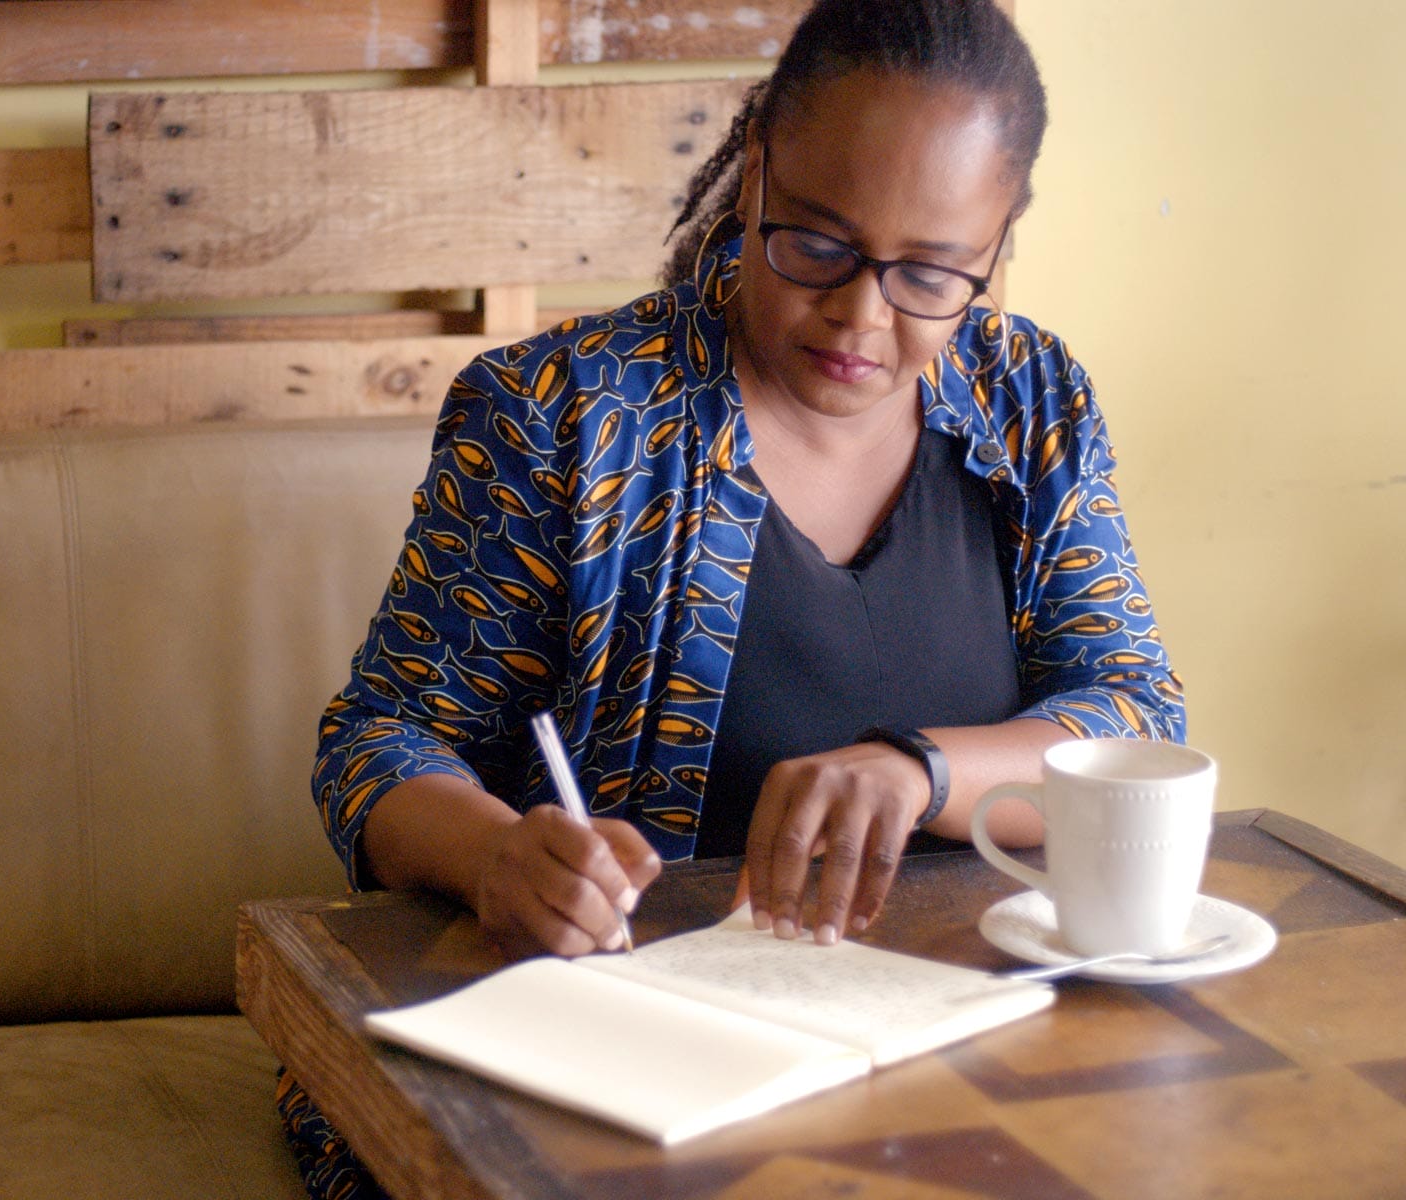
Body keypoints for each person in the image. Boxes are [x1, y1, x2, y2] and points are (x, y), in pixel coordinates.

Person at [286, 0, 1184, 1194]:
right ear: (754, 165)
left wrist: (919, 769)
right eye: (817, 243)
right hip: (613, 1064)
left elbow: (1135, 716)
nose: (862, 318)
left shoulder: (1035, 405)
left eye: (929, 275)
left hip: (949, 1051)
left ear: (998, 241)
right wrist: (501, 859)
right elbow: (381, 743)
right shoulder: (565, 414)